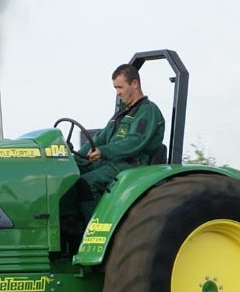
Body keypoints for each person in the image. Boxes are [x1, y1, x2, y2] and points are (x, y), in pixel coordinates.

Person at [61, 63, 165, 232]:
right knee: (67, 175)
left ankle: (90, 231)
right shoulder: (121, 114)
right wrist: (73, 160)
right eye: (115, 88)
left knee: (87, 183)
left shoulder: (148, 111)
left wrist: (103, 151)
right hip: (111, 161)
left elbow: (134, 142)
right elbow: (99, 138)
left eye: (120, 87)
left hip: (131, 165)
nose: (117, 92)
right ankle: (67, 222)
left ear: (134, 84)